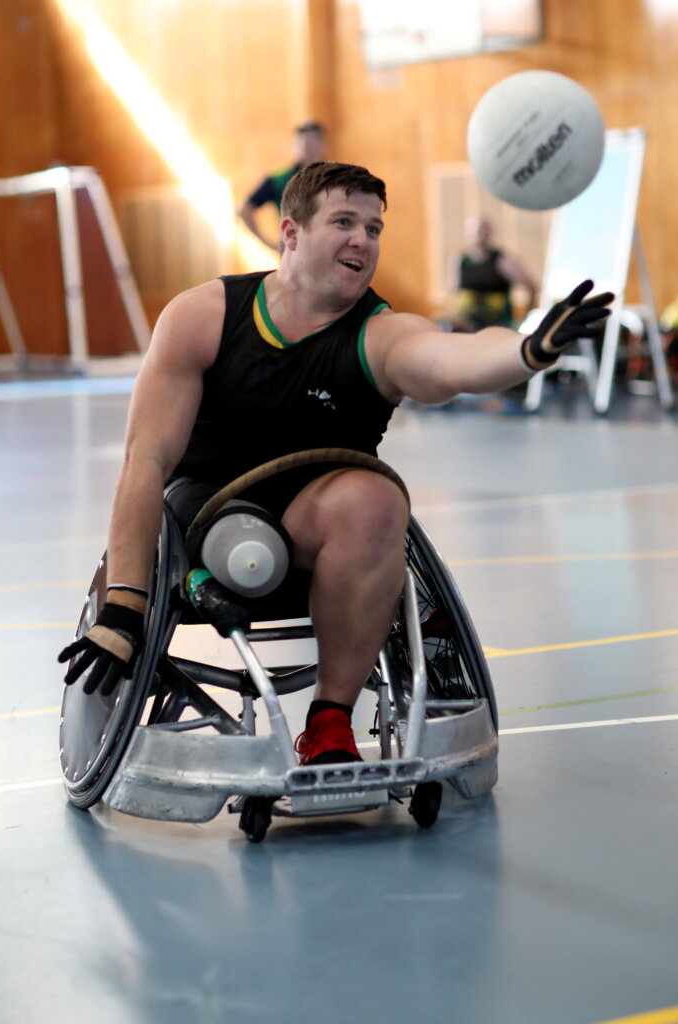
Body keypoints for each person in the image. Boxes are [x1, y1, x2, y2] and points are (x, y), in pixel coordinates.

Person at [59, 161, 613, 766]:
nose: (363, 240)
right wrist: (123, 606)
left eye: (374, 228)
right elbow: (146, 460)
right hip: (207, 513)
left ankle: (329, 723)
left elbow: (454, 359)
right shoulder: (205, 317)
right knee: (244, 548)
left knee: (376, 499)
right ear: (290, 232)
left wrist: (528, 349)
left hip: (319, 526)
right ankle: (206, 574)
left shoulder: (379, 336)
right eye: (344, 221)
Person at [236, 121, 327, 252]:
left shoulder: (338, 178)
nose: (307, 148)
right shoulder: (279, 180)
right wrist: (271, 245)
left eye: (312, 143)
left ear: (322, 145)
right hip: (294, 252)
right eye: (303, 143)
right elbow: (244, 210)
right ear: (296, 146)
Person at [437, 215, 538, 333]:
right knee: (440, 324)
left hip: (492, 319)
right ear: (467, 234)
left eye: (483, 230)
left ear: (490, 232)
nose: (480, 234)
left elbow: (531, 286)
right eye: (475, 231)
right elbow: (452, 291)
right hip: (465, 316)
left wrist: (525, 316)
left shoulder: (503, 261)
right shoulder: (459, 261)